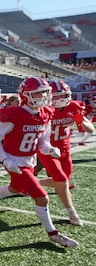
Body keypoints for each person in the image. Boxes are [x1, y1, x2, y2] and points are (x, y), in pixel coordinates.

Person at [0, 76, 78, 248]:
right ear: (26, 95)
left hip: (29, 159)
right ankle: (53, 233)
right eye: (39, 93)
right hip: (13, 160)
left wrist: (49, 149)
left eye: (45, 92)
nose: (44, 97)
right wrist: (5, 159)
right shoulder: (14, 113)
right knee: (42, 197)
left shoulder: (45, 113)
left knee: (15, 188)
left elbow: (42, 141)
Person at [35, 80, 93, 225]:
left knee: (62, 183)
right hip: (47, 150)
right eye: (56, 96)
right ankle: (72, 212)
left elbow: (90, 129)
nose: (60, 99)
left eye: (64, 95)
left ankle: (33, 182)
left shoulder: (73, 106)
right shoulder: (44, 109)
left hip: (65, 150)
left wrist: (79, 122)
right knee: (62, 180)